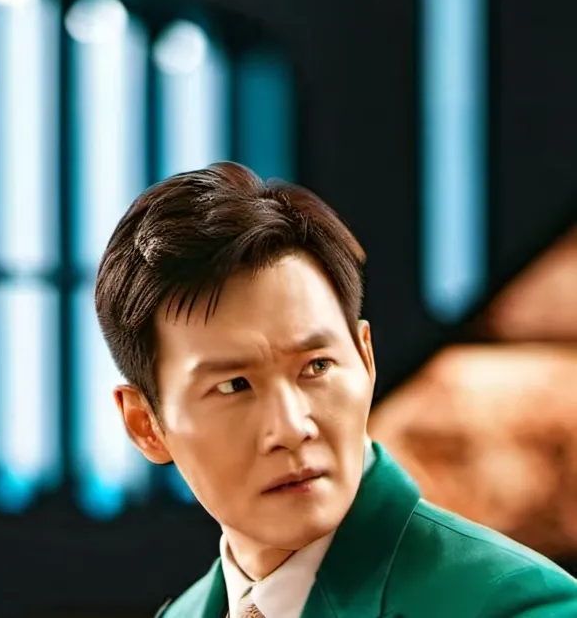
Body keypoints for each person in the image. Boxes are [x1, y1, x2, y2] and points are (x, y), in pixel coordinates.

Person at [94, 162, 577, 618]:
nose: (291, 428)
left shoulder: (516, 605)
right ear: (145, 425)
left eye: (317, 366)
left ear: (365, 359)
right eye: (234, 385)